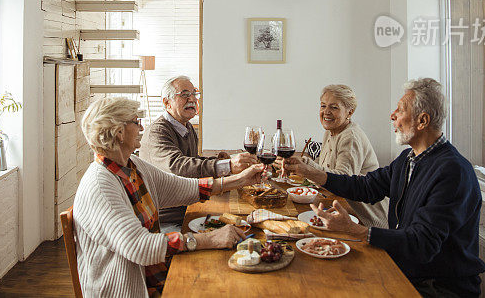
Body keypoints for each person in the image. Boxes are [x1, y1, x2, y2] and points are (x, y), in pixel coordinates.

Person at [284, 78, 485, 298]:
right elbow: (366, 186)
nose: (392, 116)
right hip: (407, 269)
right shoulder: (408, 159)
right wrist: (310, 172)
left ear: (422, 121)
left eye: (400, 110)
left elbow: (421, 244)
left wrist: (354, 230)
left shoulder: (452, 172)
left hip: (436, 288)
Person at [74, 96, 265, 298]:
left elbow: (181, 187)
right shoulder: (100, 186)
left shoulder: (132, 166)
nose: (141, 127)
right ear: (119, 132)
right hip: (130, 290)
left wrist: (240, 180)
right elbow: (140, 247)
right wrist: (209, 239)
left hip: (154, 274)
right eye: (136, 121)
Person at [139, 75, 256, 225]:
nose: (192, 99)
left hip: (189, 205)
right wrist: (227, 166)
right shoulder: (157, 132)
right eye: (185, 95)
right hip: (167, 218)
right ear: (167, 103)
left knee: (244, 221)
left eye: (194, 94)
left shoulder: (186, 127)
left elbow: (192, 161)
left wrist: (222, 163)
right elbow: (178, 167)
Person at [279, 84, 388, 227]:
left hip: (365, 219)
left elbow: (343, 179)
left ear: (350, 112)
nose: (326, 112)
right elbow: (324, 165)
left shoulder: (350, 137)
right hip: (344, 207)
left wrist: (305, 168)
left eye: (334, 107)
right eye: (323, 106)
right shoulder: (331, 131)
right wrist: (302, 162)